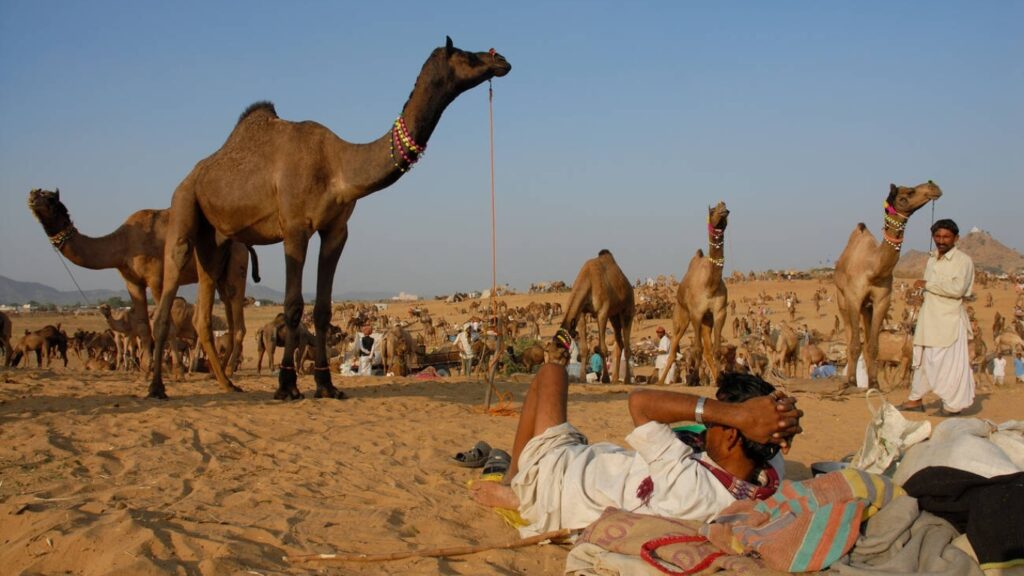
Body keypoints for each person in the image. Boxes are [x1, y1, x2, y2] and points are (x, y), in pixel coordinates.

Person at [470, 332, 803, 537]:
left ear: (732, 435)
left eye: (715, 425)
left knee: (551, 372)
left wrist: (736, 414)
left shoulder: (690, 486)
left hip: (560, 481)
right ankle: (518, 477)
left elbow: (640, 402)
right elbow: (771, 432)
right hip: (591, 463)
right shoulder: (766, 470)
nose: (707, 428)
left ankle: (514, 484)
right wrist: (775, 415)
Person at [899, 219, 976, 416]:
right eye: (938, 236)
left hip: (948, 320)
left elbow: (958, 289)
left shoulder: (963, 261)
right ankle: (914, 400)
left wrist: (927, 285)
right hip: (928, 318)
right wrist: (921, 294)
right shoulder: (931, 259)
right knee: (924, 359)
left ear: (956, 238)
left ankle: (952, 406)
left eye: (946, 237)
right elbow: (927, 288)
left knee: (948, 364)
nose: (941, 240)